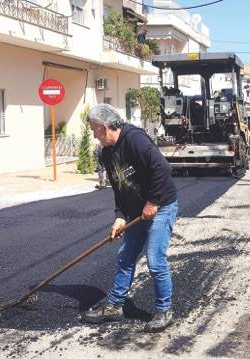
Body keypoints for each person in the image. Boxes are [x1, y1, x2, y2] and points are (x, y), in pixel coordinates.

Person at [81, 104, 179, 333]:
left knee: (155, 260)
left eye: (94, 130)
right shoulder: (107, 153)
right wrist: (120, 217)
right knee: (125, 257)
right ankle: (115, 306)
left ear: (104, 127)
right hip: (137, 212)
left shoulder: (135, 139)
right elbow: (119, 191)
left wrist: (153, 202)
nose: (93, 135)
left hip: (161, 206)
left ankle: (164, 310)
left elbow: (162, 169)